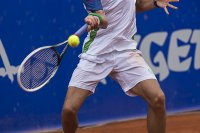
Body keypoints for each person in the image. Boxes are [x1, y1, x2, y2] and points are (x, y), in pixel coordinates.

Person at [62, 0, 179, 133]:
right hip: (96, 54)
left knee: (158, 98)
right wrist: (96, 18)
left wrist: (155, 3)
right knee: (68, 110)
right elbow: (103, 20)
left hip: (126, 52)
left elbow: (137, 5)